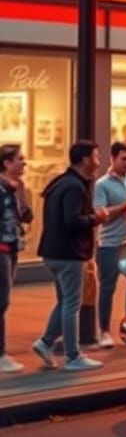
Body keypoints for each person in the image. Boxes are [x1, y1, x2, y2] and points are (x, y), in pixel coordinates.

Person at [32, 140, 110, 372]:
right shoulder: (75, 187)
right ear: (85, 160)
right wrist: (98, 218)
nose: (98, 160)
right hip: (69, 254)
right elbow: (73, 220)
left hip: (53, 252)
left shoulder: (61, 182)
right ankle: (73, 356)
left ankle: (45, 343)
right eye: (96, 156)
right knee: (72, 305)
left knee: (65, 301)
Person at [93, 141, 126, 349]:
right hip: (109, 244)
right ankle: (104, 331)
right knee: (107, 288)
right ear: (113, 158)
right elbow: (102, 215)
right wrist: (125, 206)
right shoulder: (102, 184)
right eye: (124, 159)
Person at [0, 144, 33, 373]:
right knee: (1, 301)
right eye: (19, 159)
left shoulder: (16, 187)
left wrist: (21, 193)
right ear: (6, 163)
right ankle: (0, 354)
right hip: (1, 248)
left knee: (4, 301)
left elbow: (27, 216)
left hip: (11, 248)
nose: (24, 163)